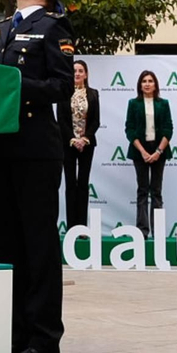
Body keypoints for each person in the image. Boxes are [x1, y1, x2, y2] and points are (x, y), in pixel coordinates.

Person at [0, 0, 74, 353]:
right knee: (10, 244)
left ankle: (44, 337)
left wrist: (14, 86)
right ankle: (15, 332)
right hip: (0, 145)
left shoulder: (54, 27)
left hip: (36, 146)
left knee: (38, 243)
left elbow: (61, 86)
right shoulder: (2, 28)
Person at [125, 70, 173, 236]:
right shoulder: (133, 103)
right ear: (140, 85)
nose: (147, 84)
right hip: (140, 151)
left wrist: (159, 151)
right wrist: (143, 152)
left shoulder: (163, 103)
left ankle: (157, 230)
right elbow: (129, 129)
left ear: (155, 84)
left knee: (157, 191)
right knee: (142, 190)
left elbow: (168, 128)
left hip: (159, 150)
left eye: (150, 81)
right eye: (144, 81)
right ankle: (142, 231)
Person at [60, 59, 100, 229]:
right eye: (74, 71)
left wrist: (84, 139)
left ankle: (82, 227)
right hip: (68, 144)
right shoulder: (63, 93)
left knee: (83, 184)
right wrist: (72, 139)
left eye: (80, 71)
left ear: (86, 74)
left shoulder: (93, 94)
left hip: (87, 144)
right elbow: (61, 120)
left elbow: (96, 121)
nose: (77, 74)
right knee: (70, 184)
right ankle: (71, 227)